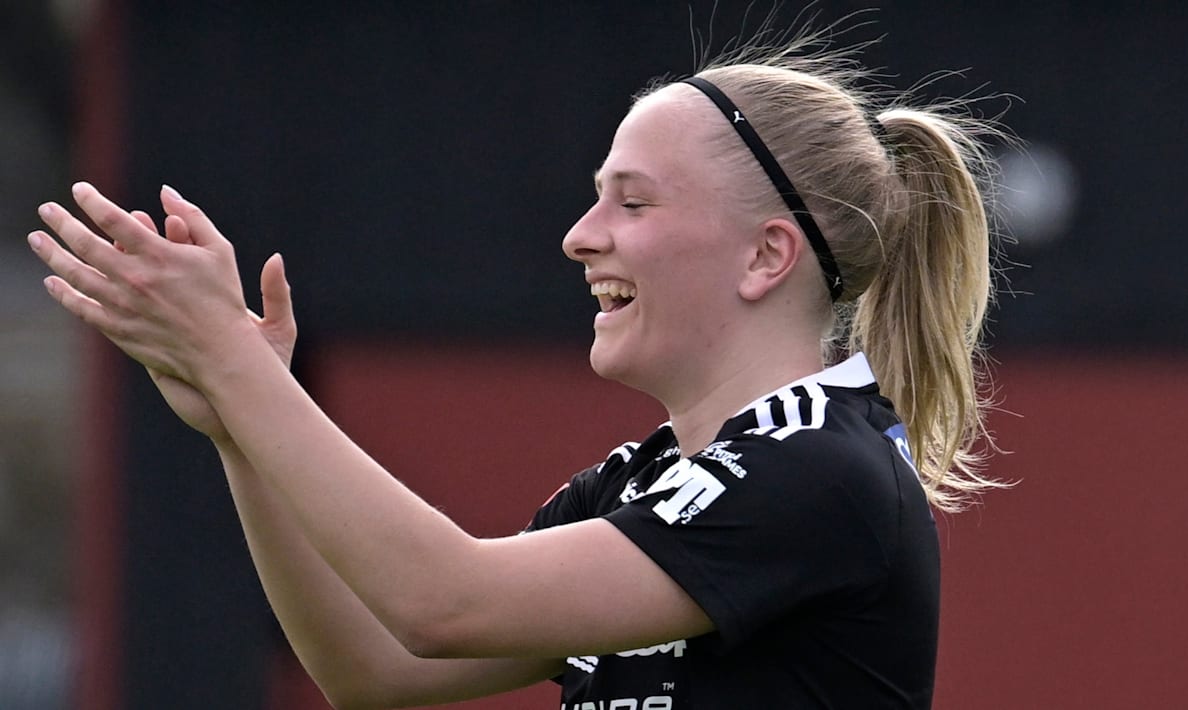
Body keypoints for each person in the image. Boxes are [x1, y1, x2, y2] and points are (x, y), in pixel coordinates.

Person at [27, 38, 1005, 710]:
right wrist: (237, 423)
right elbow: (375, 667)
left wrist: (242, 371)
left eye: (632, 202)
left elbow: (444, 601)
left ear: (766, 255)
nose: (581, 236)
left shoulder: (820, 472)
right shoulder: (643, 485)